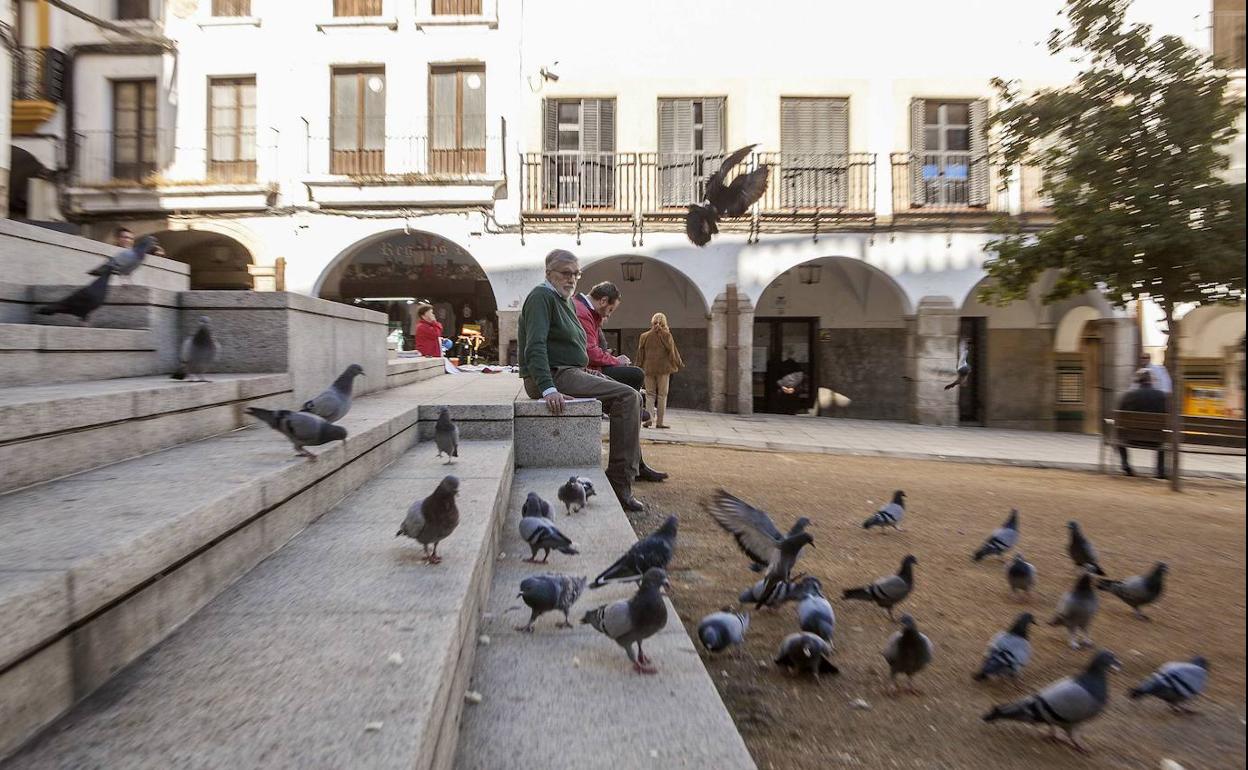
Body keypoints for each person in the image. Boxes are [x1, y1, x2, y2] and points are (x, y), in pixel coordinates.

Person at [518, 250, 645, 511]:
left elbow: (573, 347)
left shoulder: (562, 300)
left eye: (576, 273)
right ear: (548, 272)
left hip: (572, 371)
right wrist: (548, 388)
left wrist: (589, 371)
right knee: (628, 396)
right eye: (565, 273)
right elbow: (535, 346)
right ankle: (621, 482)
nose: (572, 278)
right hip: (556, 374)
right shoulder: (541, 297)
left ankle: (625, 473)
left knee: (632, 396)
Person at [573, 280, 668, 483]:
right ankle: (633, 413)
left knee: (633, 379)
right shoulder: (583, 312)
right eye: (610, 310)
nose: (609, 315)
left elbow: (592, 348)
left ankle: (636, 451)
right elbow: (589, 353)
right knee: (634, 376)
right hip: (582, 371)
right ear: (603, 300)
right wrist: (615, 360)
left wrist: (608, 355)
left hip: (586, 368)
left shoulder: (586, 310)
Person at [1116, 368, 1169, 479]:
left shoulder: (1128, 396)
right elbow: (1168, 416)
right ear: (1152, 381)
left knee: (1118, 437)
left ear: (1137, 381)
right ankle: (1160, 471)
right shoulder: (1161, 396)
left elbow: (1119, 416)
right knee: (1163, 442)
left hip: (1130, 438)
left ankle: (1126, 466)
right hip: (1156, 440)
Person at [636, 312, 684, 429]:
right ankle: (660, 422)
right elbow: (673, 352)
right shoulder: (667, 335)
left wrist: (637, 366)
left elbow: (640, 354)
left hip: (648, 369)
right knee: (662, 395)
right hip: (663, 369)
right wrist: (679, 363)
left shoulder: (644, 336)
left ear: (652, 322)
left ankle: (649, 419)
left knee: (650, 394)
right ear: (664, 322)